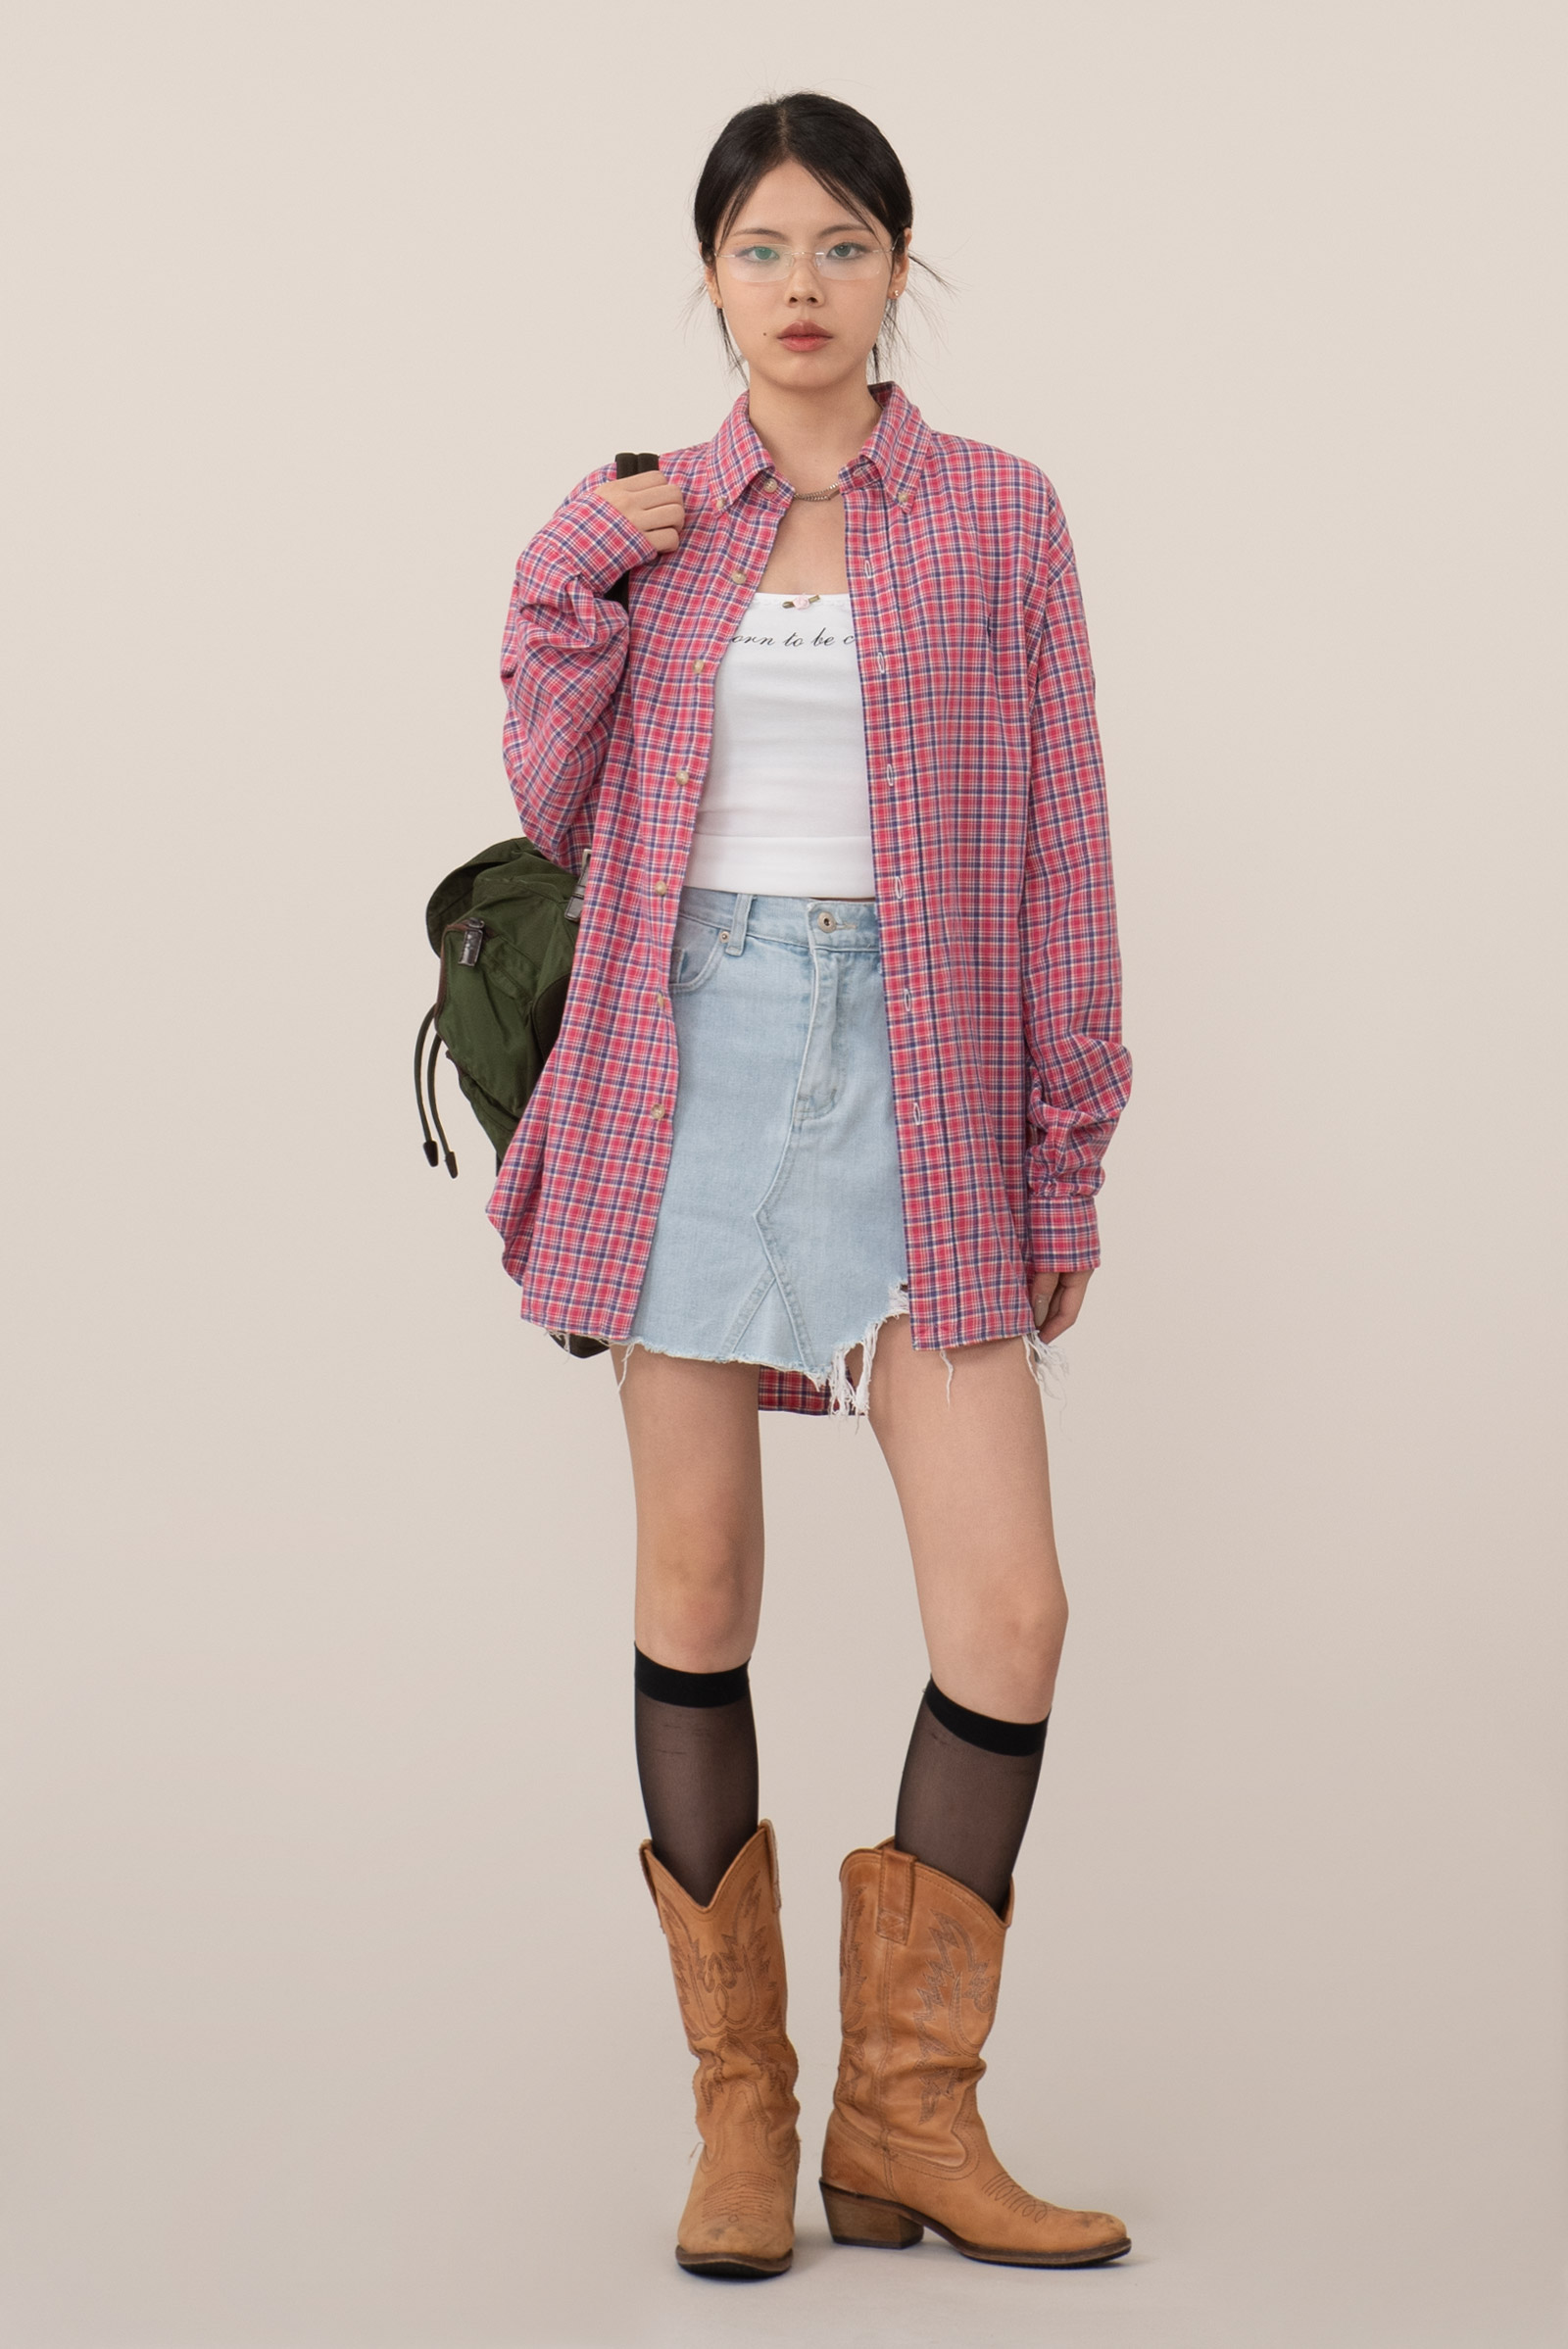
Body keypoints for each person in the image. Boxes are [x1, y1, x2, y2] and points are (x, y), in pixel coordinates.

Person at [489, 91, 1133, 2280]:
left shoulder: (998, 515)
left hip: (921, 1069)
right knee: (695, 1586)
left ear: (898, 268)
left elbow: (1062, 839)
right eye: (760, 248)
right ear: (709, 278)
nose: (800, 286)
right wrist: (573, 555)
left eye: (841, 244)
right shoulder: (657, 527)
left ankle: (907, 2118)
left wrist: (1062, 1155)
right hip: (683, 1061)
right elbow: (551, 795)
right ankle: (744, 2113)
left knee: (1009, 1611)